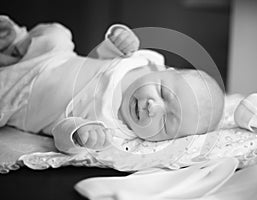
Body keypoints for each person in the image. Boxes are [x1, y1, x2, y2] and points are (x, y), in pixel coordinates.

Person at [0, 16, 224, 154]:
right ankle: (15, 43)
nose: (153, 107)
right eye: (163, 93)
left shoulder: (114, 132)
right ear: (166, 71)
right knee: (58, 35)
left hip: (22, 100)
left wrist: (79, 133)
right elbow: (100, 55)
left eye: (165, 123)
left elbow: (61, 134)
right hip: (54, 58)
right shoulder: (143, 61)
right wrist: (120, 39)